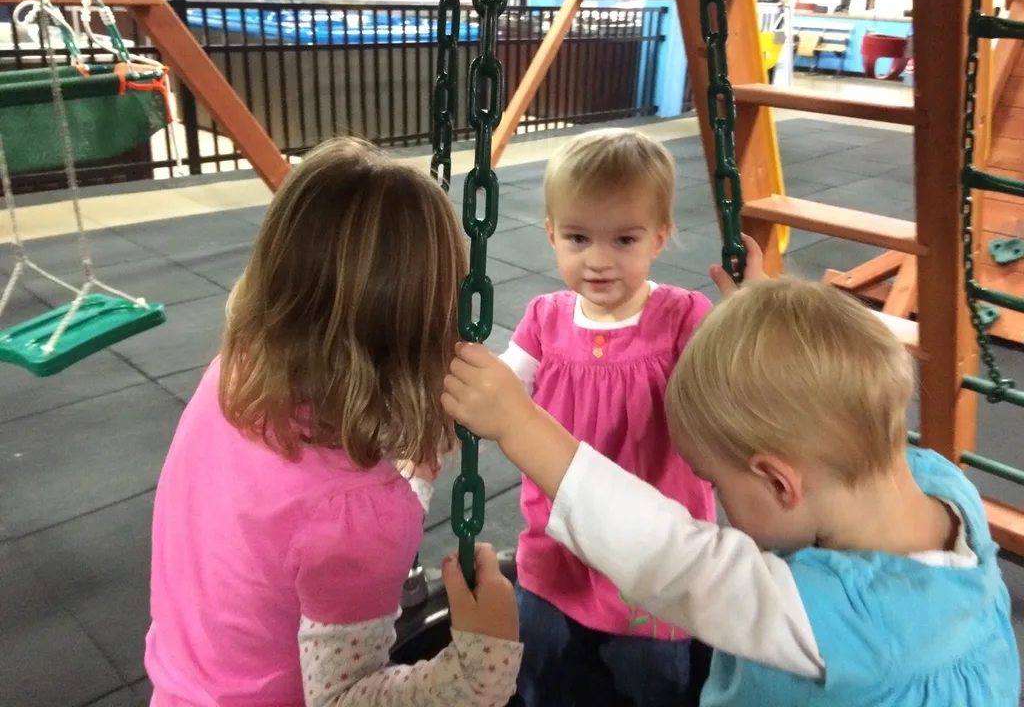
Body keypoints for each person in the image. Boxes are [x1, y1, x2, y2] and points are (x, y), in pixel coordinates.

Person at [443, 263, 1020, 706]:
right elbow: (820, 398)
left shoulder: (820, 620)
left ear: (778, 480)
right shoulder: (942, 485)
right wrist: (772, 342)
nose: (715, 505)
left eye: (715, 484)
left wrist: (521, 424)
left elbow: (670, 554)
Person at [145, 138, 522, 707]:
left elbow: (308, 523)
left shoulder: (234, 379)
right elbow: (344, 698)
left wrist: (405, 481)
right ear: (429, 336)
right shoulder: (358, 517)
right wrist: (481, 668)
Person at [497, 128, 715, 705]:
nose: (597, 260)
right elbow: (500, 387)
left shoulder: (682, 318)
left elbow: (732, 384)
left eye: (623, 239)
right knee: (535, 650)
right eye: (577, 237)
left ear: (660, 237)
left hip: (652, 548)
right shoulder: (545, 319)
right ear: (550, 235)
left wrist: (754, 319)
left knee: (652, 672)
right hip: (557, 538)